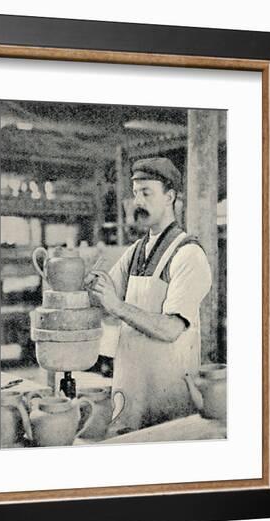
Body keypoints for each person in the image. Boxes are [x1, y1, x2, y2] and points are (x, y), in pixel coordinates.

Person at [88, 157, 212, 434]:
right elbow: (104, 296)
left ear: (169, 197)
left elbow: (170, 328)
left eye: (146, 193)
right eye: (135, 194)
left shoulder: (188, 254)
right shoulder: (135, 251)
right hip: (129, 388)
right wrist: (84, 281)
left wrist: (117, 306)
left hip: (168, 394)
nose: (138, 202)